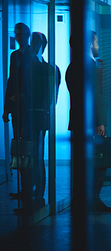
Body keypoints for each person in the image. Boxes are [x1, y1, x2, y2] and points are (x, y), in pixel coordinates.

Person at [66, 31, 111, 212]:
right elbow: (95, 96)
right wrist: (100, 122)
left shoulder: (73, 66)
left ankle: (84, 200)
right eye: (96, 42)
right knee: (100, 163)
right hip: (91, 123)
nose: (98, 46)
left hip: (79, 122)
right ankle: (93, 200)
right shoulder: (88, 64)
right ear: (88, 44)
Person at [3, 23, 33, 215]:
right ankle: (24, 188)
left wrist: (22, 95)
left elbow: (32, 81)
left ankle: (29, 188)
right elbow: (10, 79)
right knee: (19, 148)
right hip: (16, 108)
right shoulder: (15, 56)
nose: (18, 37)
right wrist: (6, 108)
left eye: (20, 34)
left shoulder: (31, 54)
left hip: (27, 108)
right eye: (16, 34)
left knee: (27, 148)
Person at [30, 32, 61, 210]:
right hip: (35, 115)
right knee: (33, 155)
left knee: (37, 155)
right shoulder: (47, 68)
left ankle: (38, 193)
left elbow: (52, 97)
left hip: (39, 116)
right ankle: (35, 193)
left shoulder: (49, 68)